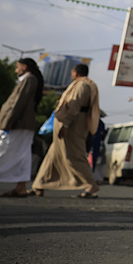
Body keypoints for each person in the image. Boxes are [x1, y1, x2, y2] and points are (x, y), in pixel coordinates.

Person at [32, 63, 101, 197]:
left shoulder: (82, 85)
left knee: (73, 155)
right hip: (68, 123)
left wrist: (65, 125)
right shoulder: (81, 84)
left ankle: (91, 185)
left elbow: (75, 106)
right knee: (53, 155)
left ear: (75, 72)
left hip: (73, 125)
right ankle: (39, 185)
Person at [0, 58, 44, 197]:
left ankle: (21, 187)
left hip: (17, 124)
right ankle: (21, 187)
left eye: (17, 67)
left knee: (4, 151)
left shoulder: (29, 80)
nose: (15, 70)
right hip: (21, 124)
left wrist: (7, 122)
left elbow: (18, 103)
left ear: (25, 67)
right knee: (22, 156)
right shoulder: (28, 80)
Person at [90, 117, 107, 183]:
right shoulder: (101, 123)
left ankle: (96, 179)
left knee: (97, 165)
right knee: (99, 165)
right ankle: (98, 179)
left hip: (96, 145)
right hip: (97, 145)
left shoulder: (94, 122)